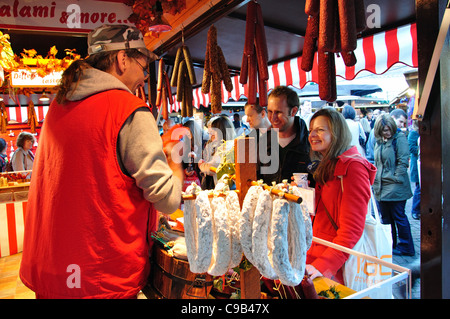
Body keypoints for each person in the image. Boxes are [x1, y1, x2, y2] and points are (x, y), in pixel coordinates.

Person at [19, 24, 183, 299]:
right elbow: (167, 200)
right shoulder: (129, 109)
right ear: (122, 59)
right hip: (101, 278)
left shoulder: (58, 106)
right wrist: (174, 162)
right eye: (143, 64)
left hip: (53, 271)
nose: (145, 75)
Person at [305, 108, 376, 284]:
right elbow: (326, 211)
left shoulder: (353, 168)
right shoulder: (329, 164)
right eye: (311, 130)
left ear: (337, 133)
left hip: (335, 266)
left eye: (320, 130)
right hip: (316, 254)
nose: (313, 134)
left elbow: (351, 230)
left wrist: (324, 265)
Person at [372, 114, 414, 256]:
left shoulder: (399, 138)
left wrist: (396, 178)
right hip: (381, 186)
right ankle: (390, 244)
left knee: (399, 216)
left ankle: (406, 247)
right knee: (386, 219)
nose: (388, 133)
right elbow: (377, 162)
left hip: (395, 186)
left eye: (389, 130)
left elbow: (403, 161)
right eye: (384, 130)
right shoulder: (379, 141)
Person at [257, 85, 312, 185]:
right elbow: (257, 179)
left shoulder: (309, 143)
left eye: (278, 112)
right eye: (270, 111)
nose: (273, 118)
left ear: (293, 111)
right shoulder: (263, 142)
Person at [198, 115, 235, 187]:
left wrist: (201, 165)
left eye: (213, 132)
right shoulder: (229, 144)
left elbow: (211, 167)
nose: (211, 136)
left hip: (226, 187)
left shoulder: (224, 148)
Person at [408, 119, 420, 220]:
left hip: (421, 164)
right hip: (416, 164)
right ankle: (415, 210)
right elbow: (411, 148)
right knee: (419, 188)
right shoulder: (413, 134)